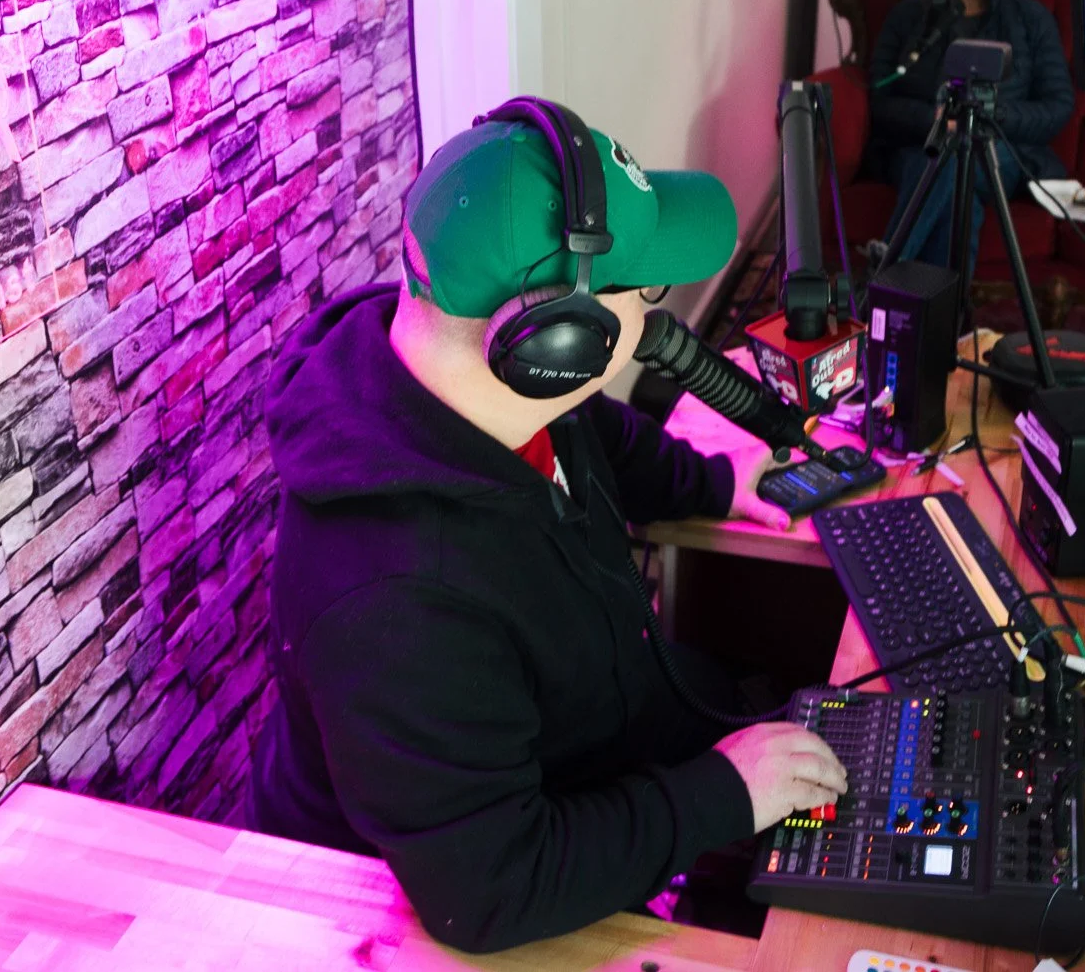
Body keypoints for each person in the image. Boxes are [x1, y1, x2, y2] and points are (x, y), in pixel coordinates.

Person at [253, 99, 848, 954]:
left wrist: (719, 485)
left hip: (587, 740)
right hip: (439, 904)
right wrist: (724, 792)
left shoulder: (493, 384)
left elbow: (601, 435)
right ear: (560, 340)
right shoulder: (396, 603)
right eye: (646, 288)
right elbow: (493, 888)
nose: (657, 306)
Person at [868, 0, 1075, 272]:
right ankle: (948, 318)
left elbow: (1059, 105)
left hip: (1000, 153)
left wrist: (990, 116)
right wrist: (933, 118)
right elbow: (879, 99)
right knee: (949, 172)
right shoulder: (908, 15)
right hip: (920, 148)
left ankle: (887, 273)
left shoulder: (1032, 19)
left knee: (957, 166)